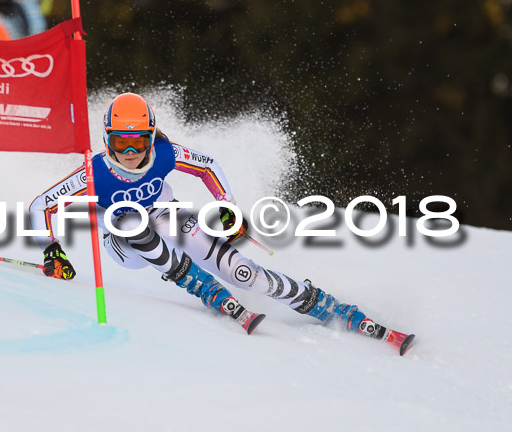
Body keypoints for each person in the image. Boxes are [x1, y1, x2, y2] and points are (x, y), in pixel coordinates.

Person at [29, 93, 414, 349]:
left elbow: (208, 168)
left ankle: (328, 306)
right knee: (133, 222)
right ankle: (201, 286)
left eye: (139, 142)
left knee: (239, 271)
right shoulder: (94, 171)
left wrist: (226, 207)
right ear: (107, 138)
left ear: (150, 136)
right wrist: (53, 250)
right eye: (119, 143)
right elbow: (42, 205)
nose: (130, 153)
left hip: (166, 219)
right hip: (123, 241)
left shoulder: (164, 154)